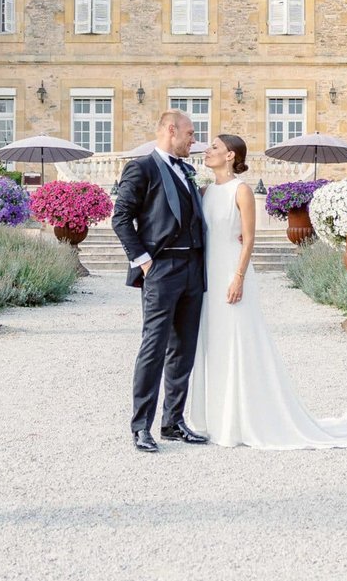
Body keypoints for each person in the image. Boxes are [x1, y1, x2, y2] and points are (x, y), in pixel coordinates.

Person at [185, 133, 347, 450]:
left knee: (238, 341)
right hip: (208, 275)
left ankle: (244, 418)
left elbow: (248, 239)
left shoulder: (241, 191)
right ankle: (217, 418)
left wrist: (238, 277)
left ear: (231, 155)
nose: (207, 150)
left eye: (214, 147)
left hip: (232, 272)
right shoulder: (204, 191)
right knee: (213, 342)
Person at [110, 110, 208, 453]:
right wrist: (145, 261)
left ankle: (173, 422)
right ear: (171, 130)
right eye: (191, 134)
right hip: (162, 268)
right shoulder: (142, 167)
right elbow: (120, 219)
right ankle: (141, 427)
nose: (194, 140)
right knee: (154, 347)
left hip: (193, 268)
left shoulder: (188, 170)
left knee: (184, 349)